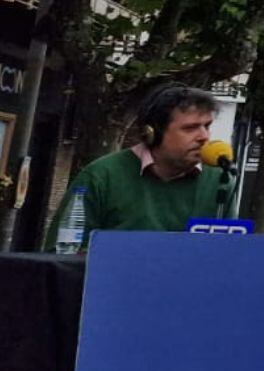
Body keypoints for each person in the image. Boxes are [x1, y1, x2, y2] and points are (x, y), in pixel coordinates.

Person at [47, 84, 225, 251]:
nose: (204, 137)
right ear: (152, 133)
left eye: (207, 126)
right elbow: (60, 255)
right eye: (190, 128)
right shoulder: (102, 176)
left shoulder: (219, 180)